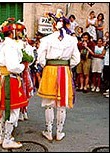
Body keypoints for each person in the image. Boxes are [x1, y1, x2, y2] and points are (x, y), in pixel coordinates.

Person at [37, 10, 80, 141]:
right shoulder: (72, 40)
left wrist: (48, 66)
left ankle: (49, 131)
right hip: (64, 70)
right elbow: (76, 59)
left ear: (53, 25)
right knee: (62, 104)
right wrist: (66, 66)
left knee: (49, 103)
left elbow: (40, 58)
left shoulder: (46, 39)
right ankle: (59, 132)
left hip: (50, 70)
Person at [0, 18, 28, 149]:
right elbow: (13, 66)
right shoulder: (11, 46)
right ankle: (7, 139)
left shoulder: (1, 45)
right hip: (11, 79)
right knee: (13, 110)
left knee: (4, 110)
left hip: (2, 79)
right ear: (12, 32)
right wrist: (23, 67)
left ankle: (3, 136)